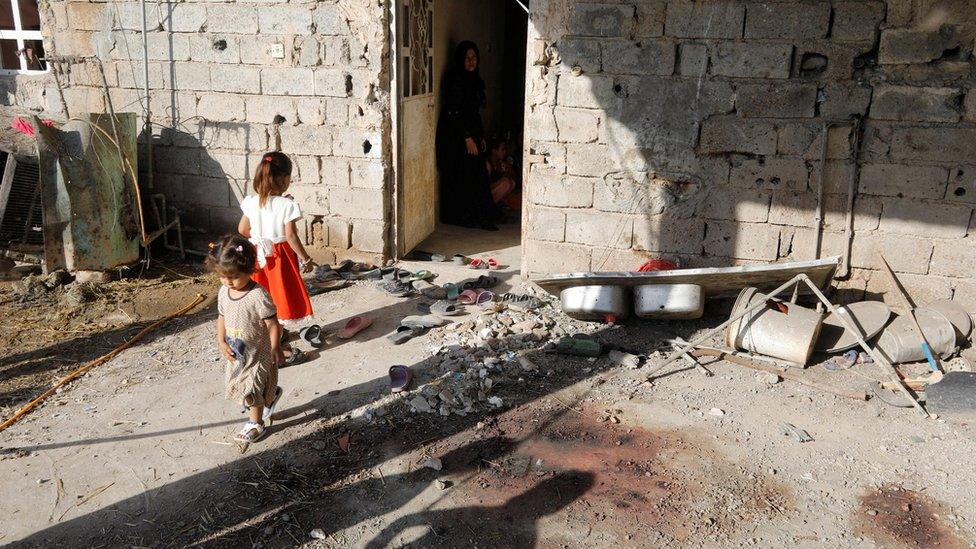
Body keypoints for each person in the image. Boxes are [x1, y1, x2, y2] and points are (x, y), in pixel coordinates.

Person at [208, 234, 284, 443]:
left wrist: (276, 347)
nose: (228, 281)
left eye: (233, 276)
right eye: (223, 276)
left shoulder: (258, 296)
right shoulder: (224, 292)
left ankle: (256, 423)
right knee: (241, 386)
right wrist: (221, 341)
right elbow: (222, 316)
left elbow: (273, 323)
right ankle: (270, 395)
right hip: (237, 352)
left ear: (249, 269)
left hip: (258, 354)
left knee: (249, 391)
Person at [238, 152, 315, 327]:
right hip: (280, 255)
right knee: (281, 292)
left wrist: (260, 237)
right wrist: (306, 259)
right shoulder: (287, 205)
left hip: (257, 253)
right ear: (286, 179)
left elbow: (242, 229)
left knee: (262, 291)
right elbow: (291, 236)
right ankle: (278, 331)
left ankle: (266, 328)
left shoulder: (251, 202)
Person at [436, 41, 499, 231]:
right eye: (467, 58)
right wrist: (467, 138)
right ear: (461, 59)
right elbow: (454, 111)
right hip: (455, 137)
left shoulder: (475, 80)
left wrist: (479, 137)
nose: (471, 62)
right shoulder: (455, 79)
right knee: (462, 175)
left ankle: (480, 216)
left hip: (470, 134)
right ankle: (461, 217)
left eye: (474, 58)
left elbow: (473, 113)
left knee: (476, 173)